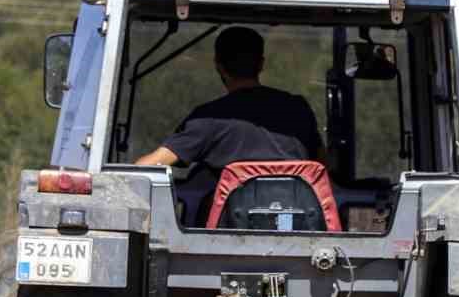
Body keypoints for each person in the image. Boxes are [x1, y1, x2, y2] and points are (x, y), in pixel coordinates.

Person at [136, 28, 325, 222]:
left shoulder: (209, 118)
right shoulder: (298, 109)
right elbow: (323, 166)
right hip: (301, 227)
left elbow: (147, 168)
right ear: (260, 64)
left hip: (228, 236)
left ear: (219, 66)